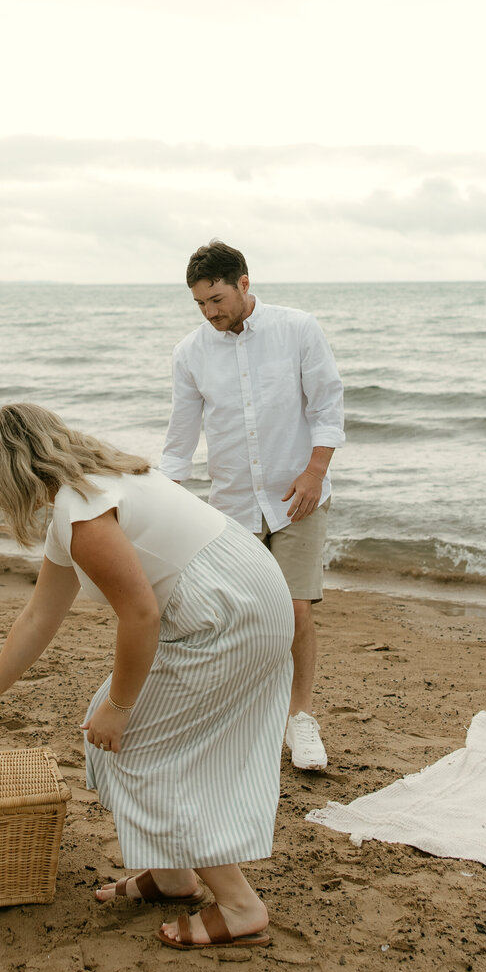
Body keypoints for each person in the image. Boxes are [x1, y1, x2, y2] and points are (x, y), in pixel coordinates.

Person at [0, 403, 295, 950]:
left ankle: (240, 905)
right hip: (243, 593)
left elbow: (140, 614)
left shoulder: (81, 510)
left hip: (231, 613)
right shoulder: (86, 493)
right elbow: (39, 617)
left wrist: (122, 705)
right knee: (108, 730)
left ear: (6, 473)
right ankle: (176, 875)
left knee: (138, 747)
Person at [160, 240, 344, 771]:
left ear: (244, 283)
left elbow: (328, 406)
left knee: (294, 609)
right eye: (200, 304)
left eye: (216, 298)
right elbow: (180, 439)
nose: (210, 312)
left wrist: (314, 473)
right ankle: (244, 714)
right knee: (235, 616)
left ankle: (301, 719)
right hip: (232, 504)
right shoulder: (190, 353)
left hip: (297, 499)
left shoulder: (299, 329)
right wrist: (168, 502)